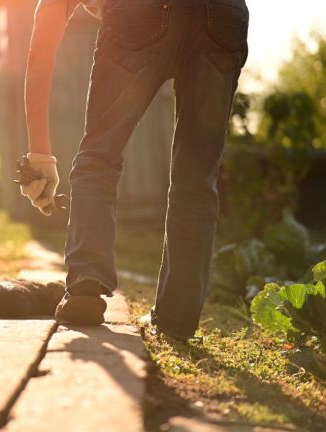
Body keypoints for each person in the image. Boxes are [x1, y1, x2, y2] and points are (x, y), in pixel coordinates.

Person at [20, 0, 249, 339]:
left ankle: (85, 285)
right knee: (197, 178)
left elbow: (40, 53)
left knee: (99, 154)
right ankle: (177, 320)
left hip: (137, 14)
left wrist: (39, 155)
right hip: (221, 14)